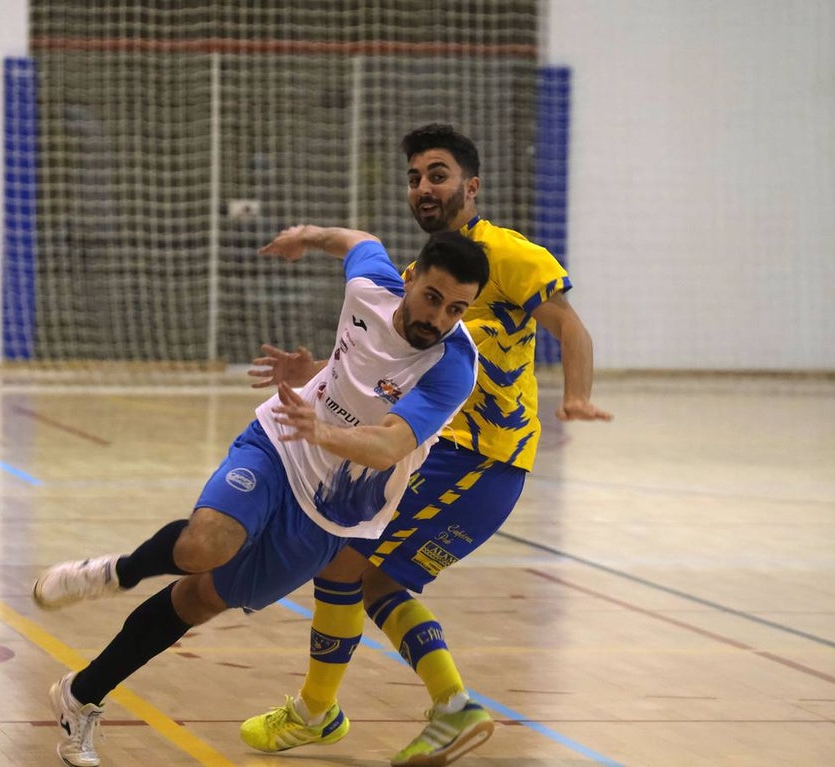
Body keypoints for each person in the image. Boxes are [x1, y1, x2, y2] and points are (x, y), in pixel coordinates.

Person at [30, 224, 490, 767]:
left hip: (335, 512)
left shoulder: (452, 366)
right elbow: (355, 238)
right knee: (206, 545)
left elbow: (390, 443)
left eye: (456, 309)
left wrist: (323, 431)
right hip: (279, 445)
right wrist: (306, 236)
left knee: (198, 599)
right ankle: (117, 571)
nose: (437, 319)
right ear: (411, 280)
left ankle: (80, 695)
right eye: (432, 298)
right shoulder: (371, 286)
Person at [238, 123, 612, 766]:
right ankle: (351, 710)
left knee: (356, 568)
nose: (423, 188)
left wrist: (576, 395)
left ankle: (373, 710)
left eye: (436, 175)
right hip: (434, 453)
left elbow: (570, 329)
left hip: (482, 458)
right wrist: (315, 376)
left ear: (471, 185)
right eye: (414, 178)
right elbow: (383, 372)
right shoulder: (422, 276)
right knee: (356, 569)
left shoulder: (510, 254)